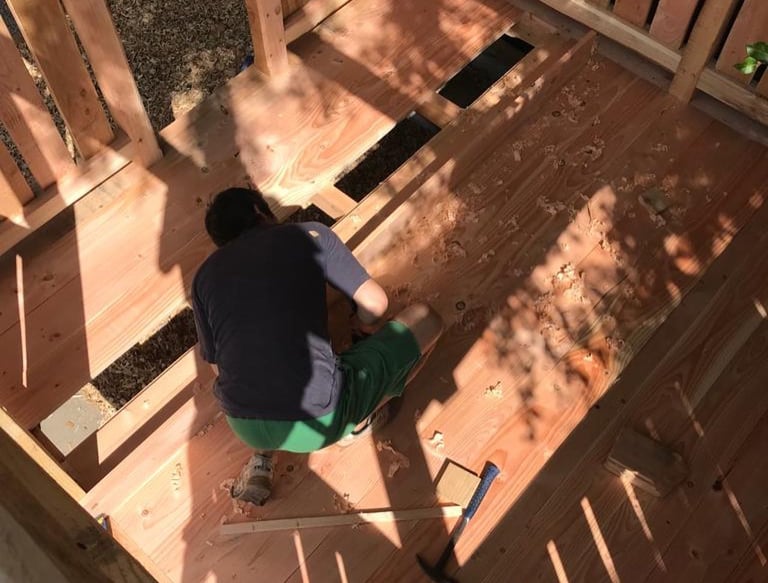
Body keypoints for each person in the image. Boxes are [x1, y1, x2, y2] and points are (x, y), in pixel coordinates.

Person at [191, 187, 443, 505]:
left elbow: (219, 367)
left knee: (266, 377)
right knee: (427, 319)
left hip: (242, 422)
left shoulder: (203, 278)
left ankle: (262, 459)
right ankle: (358, 424)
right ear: (258, 211)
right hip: (320, 422)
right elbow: (376, 303)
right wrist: (364, 325)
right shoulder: (308, 235)